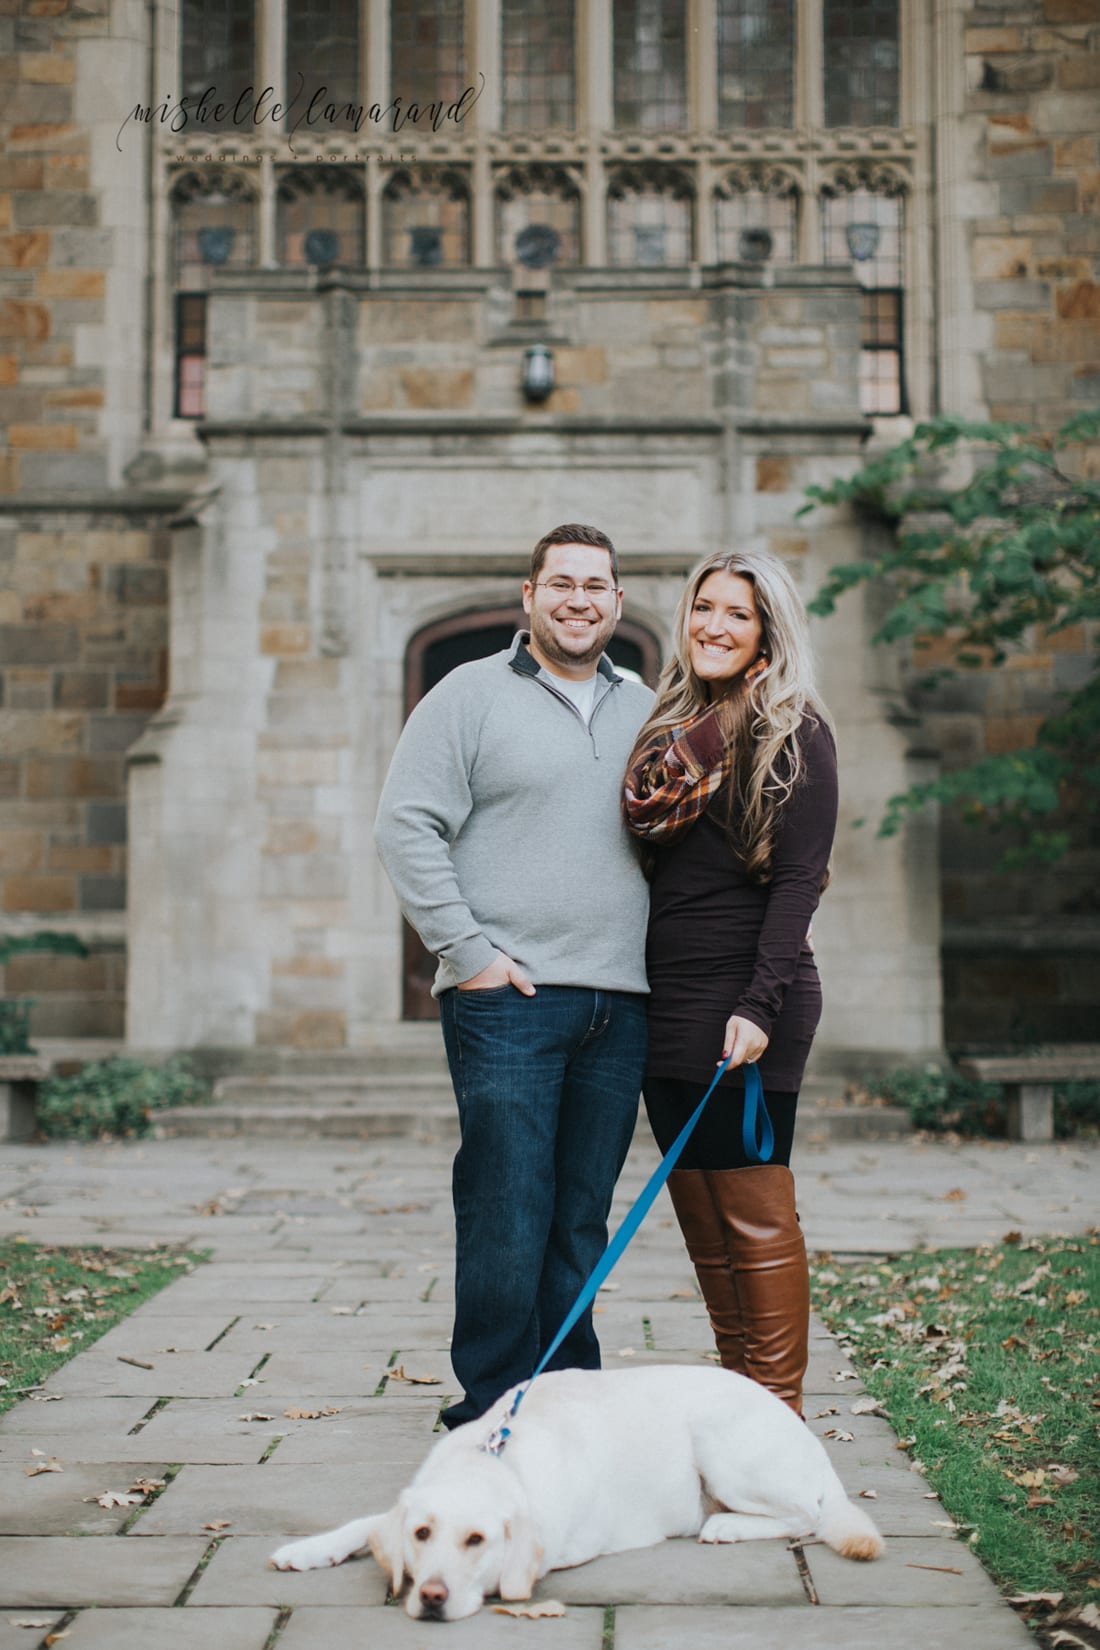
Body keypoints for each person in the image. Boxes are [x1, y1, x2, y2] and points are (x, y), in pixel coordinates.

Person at [375, 524, 654, 1430]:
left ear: (617, 602)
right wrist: (469, 955)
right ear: (529, 597)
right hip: (509, 1002)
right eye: (561, 583)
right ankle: (493, 1402)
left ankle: (566, 1396)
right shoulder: (469, 695)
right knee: (506, 1203)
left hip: (622, 1002)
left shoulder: (650, 706)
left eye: (596, 585)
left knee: (580, 1215)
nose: (579, 599)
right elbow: (405, 826)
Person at [622, 548, 838, 1416]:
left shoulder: (796, 730)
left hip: (748, 1003)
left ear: (766, 635)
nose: (713, 624)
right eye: (703, 606)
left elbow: (799, 882)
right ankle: (742, 1403)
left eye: (736, 614)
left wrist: (758, 1005)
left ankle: (777, 1413)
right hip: (668, 999)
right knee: (704, 1221)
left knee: (752, 1215)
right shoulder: (668, 728)